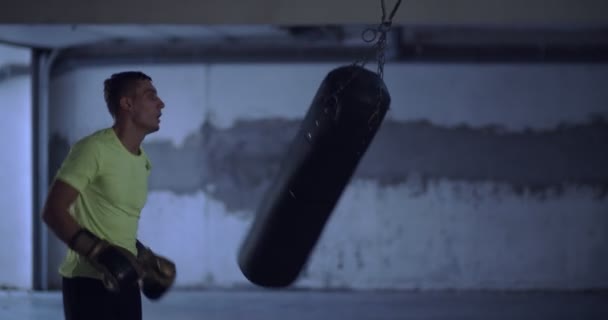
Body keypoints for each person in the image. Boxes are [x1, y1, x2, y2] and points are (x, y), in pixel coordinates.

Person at [41, 71, 176, 320]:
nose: (161, 104)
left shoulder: (142, 160)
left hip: (125, 281)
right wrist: (99, 253)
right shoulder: (94, 149)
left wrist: (143, 257)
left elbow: (115, 218)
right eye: (151, 96)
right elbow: (53, 211)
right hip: (88, 283)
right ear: (127, 104)